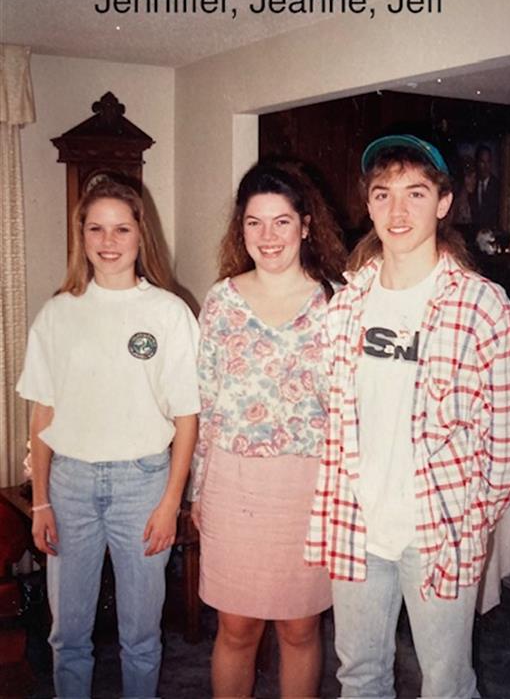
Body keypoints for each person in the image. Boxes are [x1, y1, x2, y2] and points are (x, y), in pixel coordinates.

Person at [305, 135, 510, 699]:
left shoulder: (481, 304)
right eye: (383, 194)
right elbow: (328, 403)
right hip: (357, 525)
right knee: (359, 677)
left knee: (447, 684)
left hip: (440, 530)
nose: (398, 210)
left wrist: (470, 516)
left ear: (443, 202)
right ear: (369, 203)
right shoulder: (348, 302)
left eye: (416, 192)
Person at [16, 179, 200, 699]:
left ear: (142, 234)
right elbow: (43, 412)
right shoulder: (58, 313)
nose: (108, 240)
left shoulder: (168, 312)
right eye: (96, 227)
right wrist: (42, 502)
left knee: (140, 635)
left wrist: (171, 503)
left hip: (142, 485)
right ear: (82, 236)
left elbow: (187, 416)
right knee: (68, 633)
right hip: (69, 484)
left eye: (121, 227)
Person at [190, 160, 346, 698]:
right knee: (237, 628)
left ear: (306, 225)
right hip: (234, 485)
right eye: (254, 223)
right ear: (241, 229)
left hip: (309, 488)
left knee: (301, 627)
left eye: (281, 222)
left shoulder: (338, 303)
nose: (267, 236)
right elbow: (205, 405)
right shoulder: (221, 302)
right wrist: (197, 487)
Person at [470, 143, 500, 227]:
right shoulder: (471, 184)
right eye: (482, 162)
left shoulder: (498, 186)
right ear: (477, 162)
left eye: (488, 162)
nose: (486, 166)